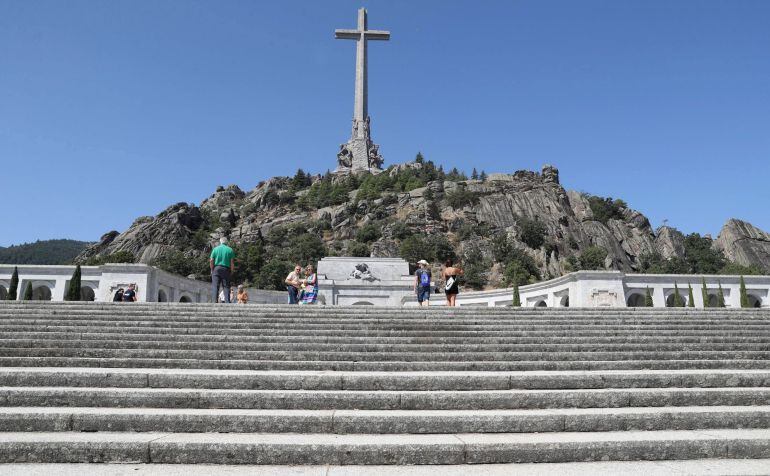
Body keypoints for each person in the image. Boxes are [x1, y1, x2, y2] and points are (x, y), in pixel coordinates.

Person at [210, 237, 235, 304]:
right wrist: (232, 271)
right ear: (226, 242)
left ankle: (214, 301)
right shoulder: (230, 250)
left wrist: (212, 269)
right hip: (226, 269)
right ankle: (227, 302)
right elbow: (232, 262)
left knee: (215, 286)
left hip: (216, 268)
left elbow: (211, 260)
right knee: (226, 286)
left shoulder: (215, 249)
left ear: (220, 242)